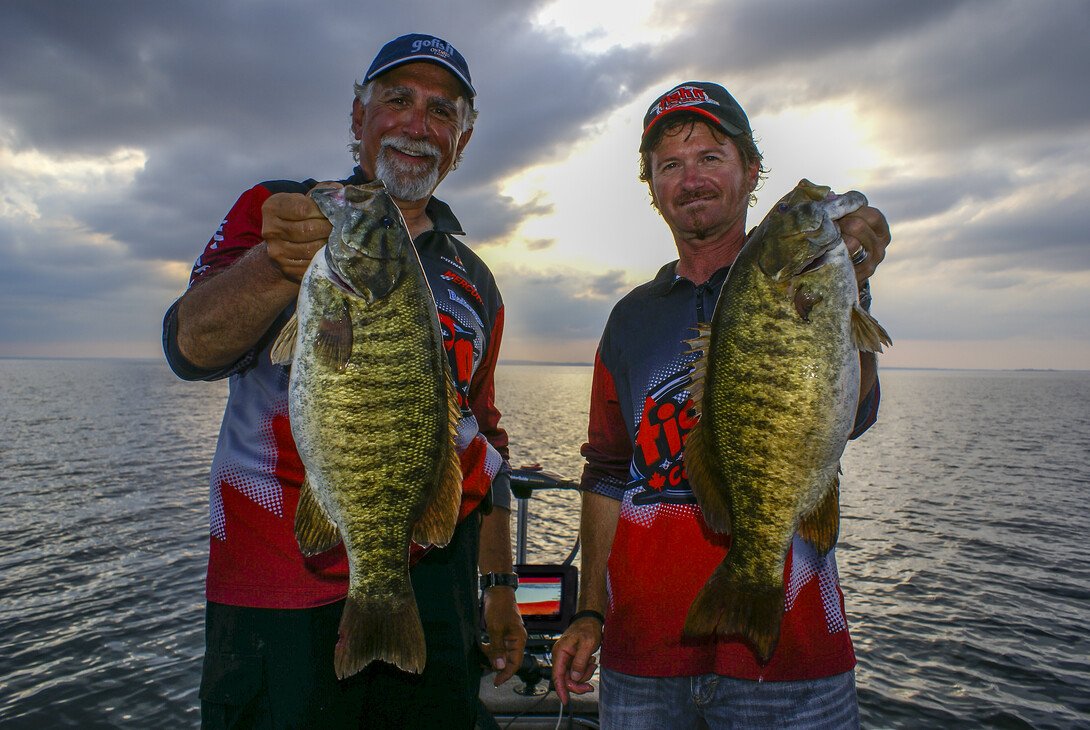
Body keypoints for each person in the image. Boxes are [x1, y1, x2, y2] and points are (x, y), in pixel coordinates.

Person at [163, 33, 526, 729]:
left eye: (442, 112)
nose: (419, 126)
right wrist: (275, 265)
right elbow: (189, 347)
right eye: (397, 100)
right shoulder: (280, 211)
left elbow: (484, 438)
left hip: (437, 597)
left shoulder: (476, 282)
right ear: (357, 118)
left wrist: (501, 584)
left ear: (463, 140)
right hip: (277, 595)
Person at [551, 82, 891, 729]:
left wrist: (855, 288)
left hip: (793, 661)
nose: (691, 178)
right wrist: (591, 610)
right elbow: (606, 473)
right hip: (643, 657)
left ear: (751, 170)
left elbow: (853, 414)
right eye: (669, 164)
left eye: (711, 156)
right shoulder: (628, 320)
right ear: (652, 186)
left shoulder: (807, 284)